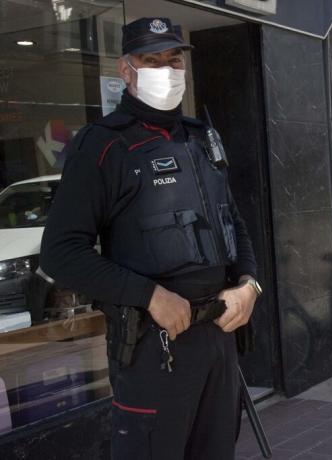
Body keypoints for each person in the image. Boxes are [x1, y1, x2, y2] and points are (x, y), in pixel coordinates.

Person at [40, 17, 262, 460]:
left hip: (219, 339)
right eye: (151, 60)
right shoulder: (103, 145)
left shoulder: (202, 138)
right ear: (127, 70)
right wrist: (150, 296)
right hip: (153, 347)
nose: (166, 69)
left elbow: (232, 221)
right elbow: (61, 254)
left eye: (173, 59)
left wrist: (249, 284)